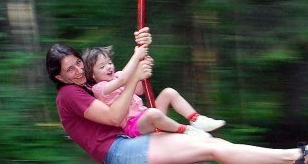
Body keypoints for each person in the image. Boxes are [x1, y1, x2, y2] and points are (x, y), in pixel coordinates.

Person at [46, 27, 308, 164]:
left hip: (134, 145)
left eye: (77, 64)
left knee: (216, 148)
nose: (77, 72)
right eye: (68, 70)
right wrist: (134, 73)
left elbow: (122, 86)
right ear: (58, 76)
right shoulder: (69, 95)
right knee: (212, 148)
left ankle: (296, 159)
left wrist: (140, 47)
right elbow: (113, 116)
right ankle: (297, 156)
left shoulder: (84, 86)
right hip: (124, 152)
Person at [80, 45, 224, 139]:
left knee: (169, 92)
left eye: (109, 62)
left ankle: (196, 120)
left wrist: (143, 68)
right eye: (102, 66)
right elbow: (123, 79)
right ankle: (186, 130)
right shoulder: (99, 88)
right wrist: (136, 56)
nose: (108, 67)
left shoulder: (118, 75)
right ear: (92, 75)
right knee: (153, 113)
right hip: (134, 125)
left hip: (146, 116)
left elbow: (139, 90)